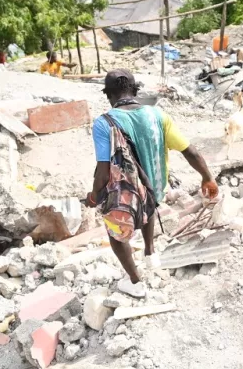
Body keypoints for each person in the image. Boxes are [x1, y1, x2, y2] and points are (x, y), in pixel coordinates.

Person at [87, 70, 217, 298]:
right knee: (148, 208)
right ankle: (150, 254)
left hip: (127, 192)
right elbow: (190, 151)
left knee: (116, 234)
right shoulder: (158, 115)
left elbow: (104, 169)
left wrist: (95, 194)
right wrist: (207, 177)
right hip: (155, 187)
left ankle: (135, 283)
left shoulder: (103, 123)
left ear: (109, 95)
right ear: (135, 90)